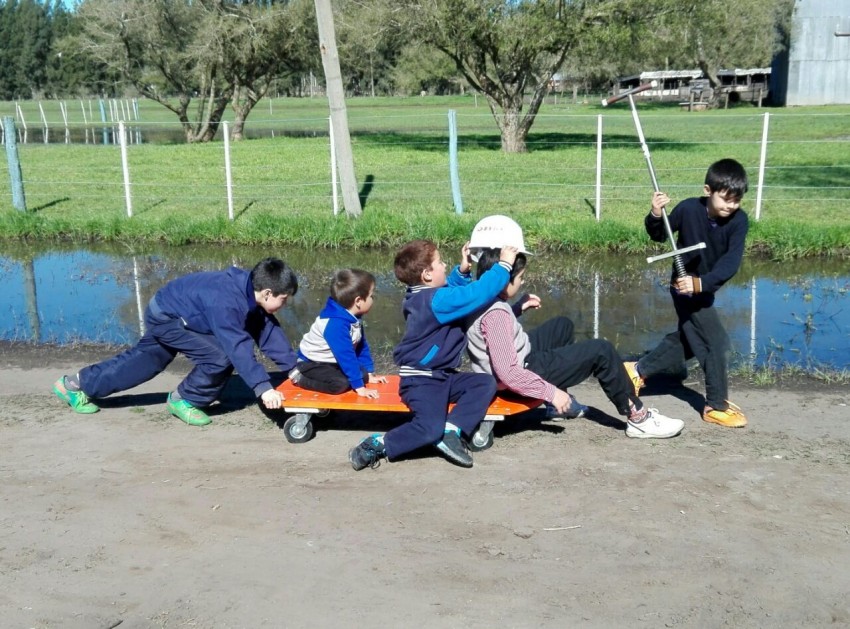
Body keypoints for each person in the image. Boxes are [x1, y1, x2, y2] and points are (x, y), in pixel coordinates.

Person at [467, 247, 685, 440]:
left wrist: (517, 309)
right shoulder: (496, 316)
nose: (523, 281)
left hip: (514, 359)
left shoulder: (480, 298)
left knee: (562, 326)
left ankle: (557, 410)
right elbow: (509, 373)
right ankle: (638, 417)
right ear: (505, 280)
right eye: (520, 277)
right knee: (601, 350)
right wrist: (552, 393)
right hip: (518, 373)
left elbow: (494, 333)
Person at [52, 257, 299, 426]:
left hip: (176, 312)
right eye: (284, 299)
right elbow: (238, 348)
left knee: (143, 362)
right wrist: (263, 388)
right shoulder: (226, 301)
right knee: (220, 357)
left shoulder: (249, 293)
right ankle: (186, 399)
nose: (285, 305)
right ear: (267, 292)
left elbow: (267, 333)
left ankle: (74, 385)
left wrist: (295, 368)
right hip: (167, 317)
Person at [347, 239, 518, 471]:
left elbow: (452, 293)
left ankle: (452, 432)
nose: (445, 265)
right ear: (427, 274)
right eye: (440, 263)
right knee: (428, 428)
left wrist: (463, 270)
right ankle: (377, 444)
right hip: (421, 380)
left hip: (442, 376)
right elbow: (474, 294)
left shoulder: (425, 295)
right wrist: (503, 267)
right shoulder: (434, 301)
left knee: (484, 383)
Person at [624, 158, 750, 428]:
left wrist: (702, 283)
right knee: (716, 343)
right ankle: (715, 406)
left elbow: (731, 262)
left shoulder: (739, 222)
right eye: (725, 199)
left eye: (736, 201)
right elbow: (660, 235)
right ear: (708, 190)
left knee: (691, 339)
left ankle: (636, 370)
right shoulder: (688, 209)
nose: (730, 206)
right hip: (682, 286)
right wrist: (656, 214)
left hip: (703, 287)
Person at [290, 268, 387, 398]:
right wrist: (360, 388)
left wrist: (369, 374)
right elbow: (346, 355)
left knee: (362, 374)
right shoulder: (336, 324)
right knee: (340, 384)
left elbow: (361, 346)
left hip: (329, 361)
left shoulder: (353, 317)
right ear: (358, 301)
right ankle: (300, 378)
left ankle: (360, 377)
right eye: (371, 296)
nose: (373, 299)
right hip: (311, 363)